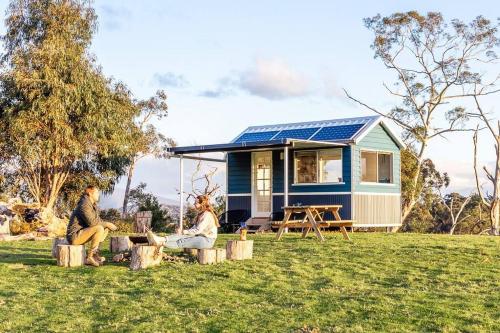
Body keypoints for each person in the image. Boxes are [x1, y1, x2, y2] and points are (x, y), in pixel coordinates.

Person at [66, 185, 117, 267]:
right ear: (90, 193)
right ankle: (90, 257)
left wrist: (107, 225)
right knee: (99, 228)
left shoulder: (92, 205)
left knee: (105, 227)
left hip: (82, 233)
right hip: (74, 236)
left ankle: (95, 254)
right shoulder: (84, 205)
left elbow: (99, 220)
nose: (98, 195)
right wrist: (107, 224)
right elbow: (92, 223)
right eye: (97, 193)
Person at [147, 195, 219, 249]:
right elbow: (194, 228)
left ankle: (160, 243)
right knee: (181, 236)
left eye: (196, 203)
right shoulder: (201, 214)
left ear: (202, 204)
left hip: (207, 240)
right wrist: (183, 232)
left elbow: (198, 230)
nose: (194, 204)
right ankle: (160, 239)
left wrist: (184, 231)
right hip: (200, 237)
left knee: (182, 241)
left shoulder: (207, 215)